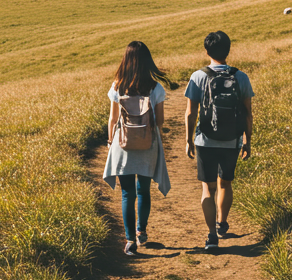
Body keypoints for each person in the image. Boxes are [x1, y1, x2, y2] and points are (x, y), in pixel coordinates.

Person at [184, 30, 254, 251]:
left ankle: (211, 236)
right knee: (226, 183)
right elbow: (248, 113)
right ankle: (222, 223)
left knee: (208, 188)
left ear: (207, 51)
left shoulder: (198, 76)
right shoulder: (240, 77)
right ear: (228, 50)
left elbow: (189, 113)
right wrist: (247, 140)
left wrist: (188, 140)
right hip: (231, 140)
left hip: (205, 140)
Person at [102, 40, 170, 255]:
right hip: (147, 143)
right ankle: (142, 232)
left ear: (126, 60)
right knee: (143, 191)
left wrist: (110, 142)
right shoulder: (155, 87)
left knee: (127, 194)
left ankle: (129, 239)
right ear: (147, 61)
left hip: (122, 144)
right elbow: (160, 122)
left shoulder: (117, 86)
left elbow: (113, 120)